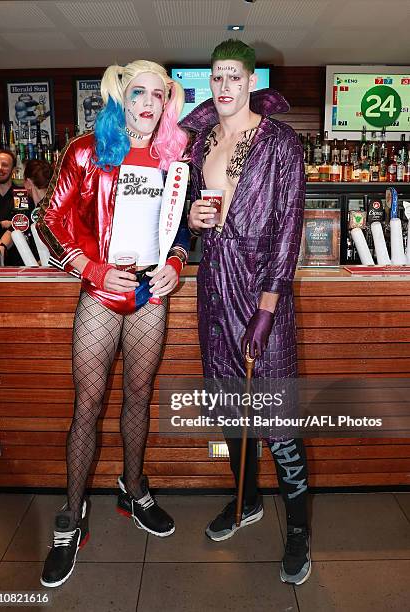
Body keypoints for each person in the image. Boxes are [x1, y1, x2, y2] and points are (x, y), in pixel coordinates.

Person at [37, 60, 189, 588]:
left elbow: (181, 227)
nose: (148, 103)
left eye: (158, 94)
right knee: (88, 402)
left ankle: (133, 488)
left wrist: (176, 263)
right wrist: (91, 268)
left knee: (140, 395)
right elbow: (49, 219)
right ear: (122, 97)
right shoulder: (87, 150)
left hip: (150, 292)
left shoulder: (176, 155)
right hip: (102, 292)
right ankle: (72, 516)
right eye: (139, 92)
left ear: (168, 101)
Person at [183, 39, 310, 585]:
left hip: (263, 291)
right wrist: (193, 220)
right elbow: (186, 220)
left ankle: (299, 531)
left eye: (234, 76)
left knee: (277, 416)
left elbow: (289, 226)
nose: (225, 86)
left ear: (252, 81)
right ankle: (245, 503)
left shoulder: (281, 141)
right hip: (214, 283)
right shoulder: (199, 141)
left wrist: (268, 305)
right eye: (217, 76)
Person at [2, 159, 53, 262]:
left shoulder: (52, 207)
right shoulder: (25, 203)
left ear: (29, 182)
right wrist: (2, 247)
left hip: (50, 270)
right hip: (30, 267)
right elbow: (15, 227)